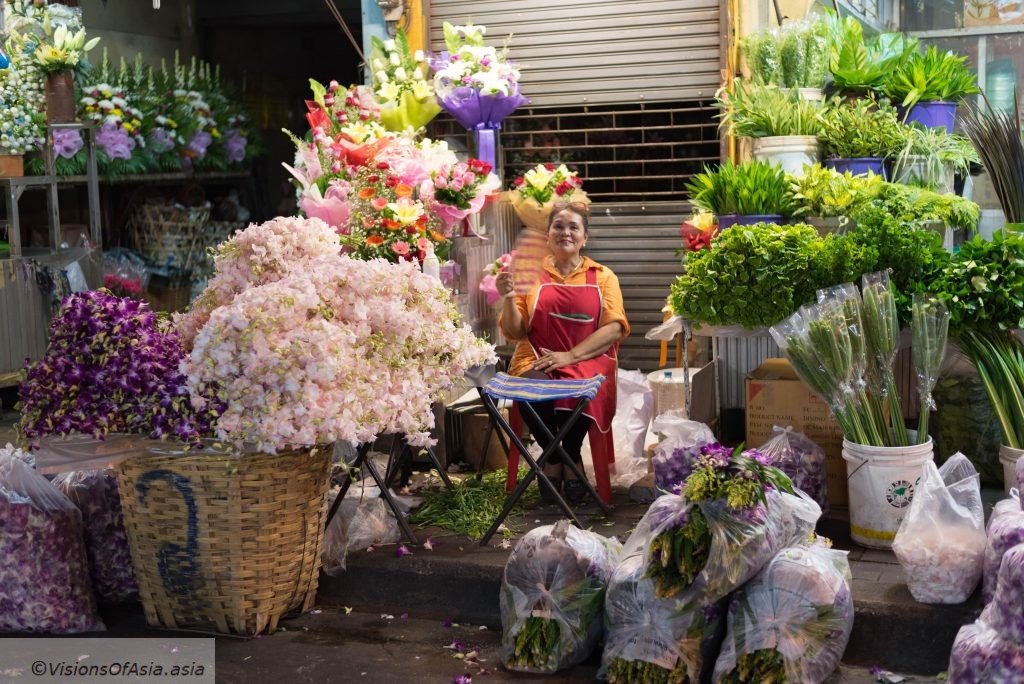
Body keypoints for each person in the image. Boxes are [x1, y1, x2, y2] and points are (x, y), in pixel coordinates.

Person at [496, 201, 630, 504]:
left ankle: (555, 463)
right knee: (529, 385)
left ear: (585, 237)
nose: (565, 232)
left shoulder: (603, 276)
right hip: (536, 355)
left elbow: (614, 328)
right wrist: (507, 298)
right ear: (548, 234)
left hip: (587, 358)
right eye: (558, 226)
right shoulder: (530, 275)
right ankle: (566, 462)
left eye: (573, 227)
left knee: (578, 386)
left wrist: (569, 356)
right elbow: (517, 332)